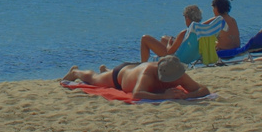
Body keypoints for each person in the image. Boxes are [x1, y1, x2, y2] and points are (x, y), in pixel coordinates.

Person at [63, 55, 210, 101]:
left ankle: (106, 70)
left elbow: (203, 89)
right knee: (94, 78)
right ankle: (76, 72)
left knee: (103, 75)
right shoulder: (147, 73)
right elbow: (136, 94)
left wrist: (189, 95)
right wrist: (164, 96)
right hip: (120, 76)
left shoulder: (177, 73)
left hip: (134, 69)